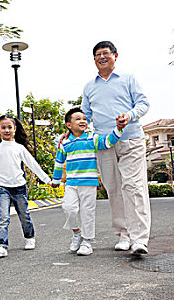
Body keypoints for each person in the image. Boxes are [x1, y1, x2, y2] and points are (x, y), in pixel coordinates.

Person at [81, 41, 151, 255]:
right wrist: (74, 131)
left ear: (115, 56)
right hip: (104, 144)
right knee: (113, 189)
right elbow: (85, 116)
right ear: (94, 60)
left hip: (131, 140)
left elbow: (143, 103)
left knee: (133, 187)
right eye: (97, 55)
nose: (101, 57)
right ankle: (123, 234)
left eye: (105, 53)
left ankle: (139, 239)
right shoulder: (89, 87)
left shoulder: (128, 79)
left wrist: (128, 116)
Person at [52, 107, 125, 256]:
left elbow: (107, 142)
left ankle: (86, 241)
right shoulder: (65, 143)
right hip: (71, 183)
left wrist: (118, 129)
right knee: (69, 208)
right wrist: (56, 180)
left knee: (87, 212)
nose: (82, 121)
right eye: (78, 119)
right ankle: (76, 233)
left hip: (89, 183)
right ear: (68, 125)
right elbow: (59, 162)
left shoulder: (92, 138)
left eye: (84, 119)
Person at [0, 115, 51, 259]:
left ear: (15, 129)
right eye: (3, 127)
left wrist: (47, 180)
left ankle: (30, 237)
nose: (7, 130)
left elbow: (32, 164)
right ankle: (2, 246)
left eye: (9, 127)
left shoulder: (19, 148)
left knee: (24, 215)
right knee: (3, 217)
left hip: (19, 187)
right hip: (3, 188)